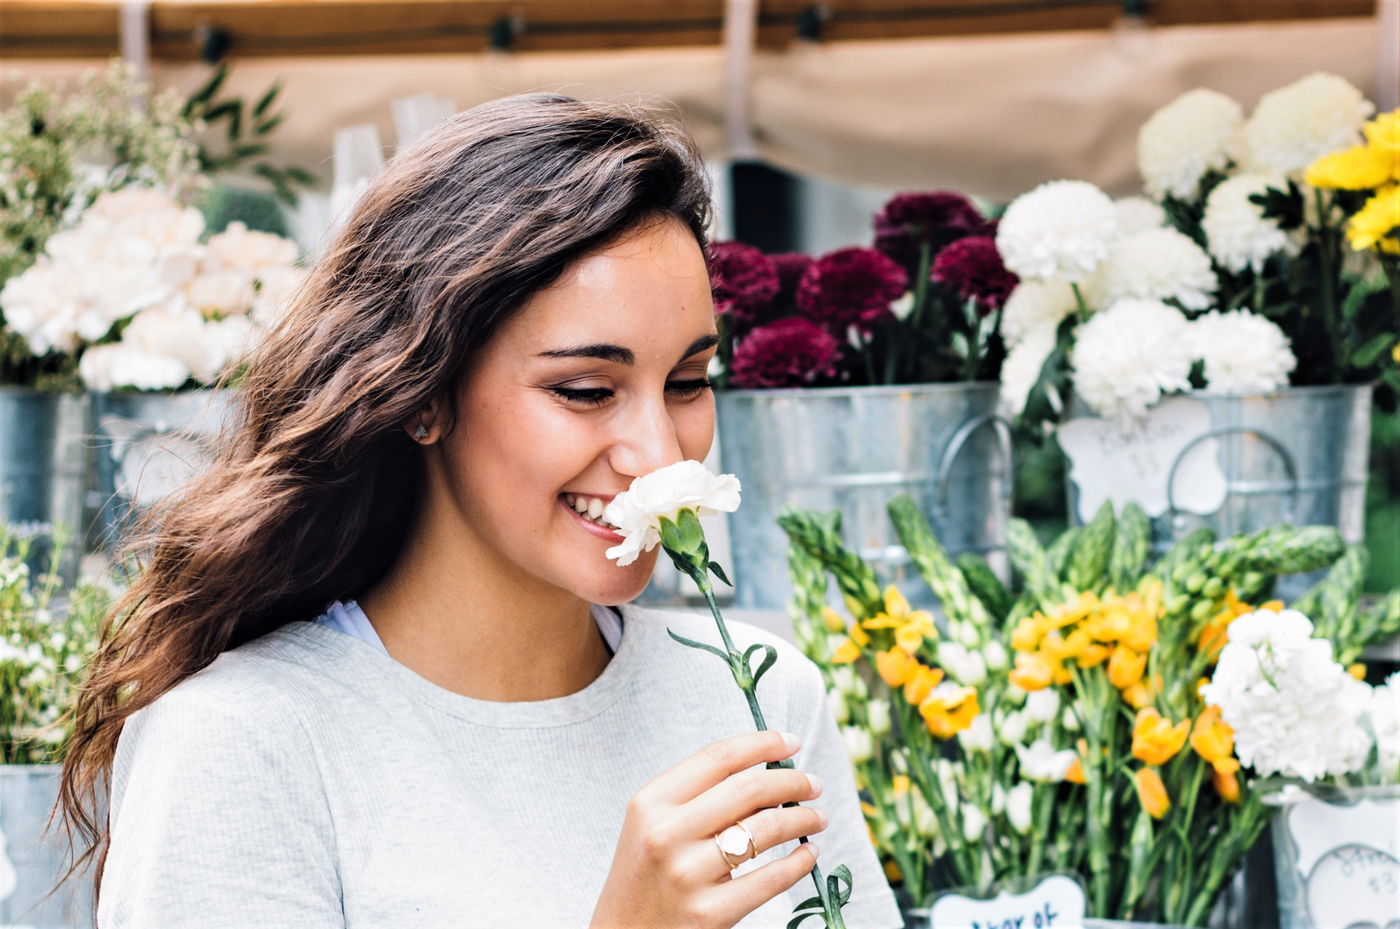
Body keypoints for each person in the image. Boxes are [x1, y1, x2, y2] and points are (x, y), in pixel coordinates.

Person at [59, 93, 903, 928]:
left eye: (687, 383)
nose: (659, 452)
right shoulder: (241, 744)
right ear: (423, 397)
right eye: (585, 390)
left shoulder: (758, 696)